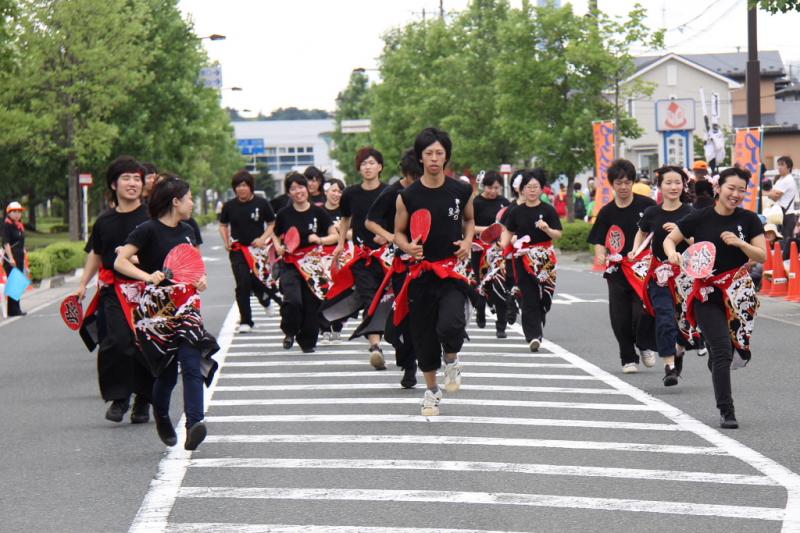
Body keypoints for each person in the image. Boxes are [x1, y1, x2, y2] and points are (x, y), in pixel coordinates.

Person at [115, 175, 219, 450]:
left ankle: (194, 422)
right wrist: (147, 276)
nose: (193, 203)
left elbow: (195, 264)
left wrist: (202, 279)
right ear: (176, 201)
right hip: (157, 311)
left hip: (187, 305)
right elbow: (120, 261)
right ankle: (161, 415)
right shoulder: (147, 230)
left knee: (192, 360)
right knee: (167, 374)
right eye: (190, 198)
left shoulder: (188, 229)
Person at [664, 167, 766, 429]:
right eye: (731, 188)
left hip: (738, 293)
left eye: (741, 190)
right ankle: (726, 410)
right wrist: (673, 254)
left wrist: (740, 244)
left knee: (729, 350)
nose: (735, 194)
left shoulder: (749, 219)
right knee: (721, 348)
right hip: (707, 291)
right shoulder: (699, 217)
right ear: (718, 187)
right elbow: (670, 240)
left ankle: (716, 360)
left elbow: (762, 255)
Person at [393, 127, 474, 416]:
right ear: (420, 157)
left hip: (451, 272)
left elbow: (469, 220)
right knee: (424, 336)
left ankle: (451, 359)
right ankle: (431, 391)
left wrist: (467, 242)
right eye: (429, 154)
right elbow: (398, 234)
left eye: (440, 153)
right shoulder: (408, 196)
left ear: (446, 156)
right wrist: (407, 248)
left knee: (451, 324)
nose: (434, 159)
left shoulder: (461, 190)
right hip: (420, 275)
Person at [74, 156, 154, 423]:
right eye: (126, 178)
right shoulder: (104, 221)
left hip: (147, 291)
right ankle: (120, 398)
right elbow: (97, 254)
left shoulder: (152, 217)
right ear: (113, 184)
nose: (132, 183)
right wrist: (83, 282)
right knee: (115, 342)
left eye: (137, 178)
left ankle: (144, 399)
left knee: (146, 344)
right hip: (113, 290)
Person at [587, 159, 658, 374]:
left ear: (633, 182)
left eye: (628, 182)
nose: (624, 187)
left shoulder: (647, 206)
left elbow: (660, 232)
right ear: (612, 184)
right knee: (620, 317)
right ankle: (628, 358)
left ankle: (644, 343)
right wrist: (600, 255)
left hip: (643, 270)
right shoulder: (607, 212)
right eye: (619, 183)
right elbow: (599, 239)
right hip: (617, 271)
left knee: (642, 312)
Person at [364, 149, 423, 387]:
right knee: (403, 318)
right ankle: (409, 366)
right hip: (402, 264)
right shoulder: (393, 193)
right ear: (404, 174)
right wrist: (390, 236)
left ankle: (436, 353)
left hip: (433, 263)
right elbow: (369, 221)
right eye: (411, 178)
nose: (415, 184)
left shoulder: (435, 190)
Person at [632, 166, 694, 387]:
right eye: (668, 182)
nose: (673, 187)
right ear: (660, 186)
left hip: (686, 275)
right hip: (660, 273)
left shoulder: (690, 212)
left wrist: (680, 231)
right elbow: (641, 232)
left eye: (678, 182)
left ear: (683, 185)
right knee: (665, 316)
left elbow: (698, 244)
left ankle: (679, 351)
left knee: (686, 321)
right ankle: (669, 366)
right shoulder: (652, 213)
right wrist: (635, 250)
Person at [328, 147, 389, 369]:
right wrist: (341, 243)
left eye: (372, 163)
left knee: (390, 300)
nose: (367, 167)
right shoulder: (351, 194)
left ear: (380, 167)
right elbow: (345, 219)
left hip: (388, 258)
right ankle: (375, 346)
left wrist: (388, 237)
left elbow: (399, 220)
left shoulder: (389, 192)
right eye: (363, 163)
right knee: (369, 298)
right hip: (362, 257)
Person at [273, 173, 337, 353]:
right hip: (290, 263)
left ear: (307, 189)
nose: (298, 191)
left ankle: (307, 340)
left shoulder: (319, 212)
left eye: (300, 187)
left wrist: (320, 239)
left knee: (311, 305)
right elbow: (275, 234)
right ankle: (290, 331)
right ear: (289, 193)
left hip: (312, 264)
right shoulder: (284, 214)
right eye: (293, 189)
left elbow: (335, 235)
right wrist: (278, 246)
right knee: (293, 301)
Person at [499, 170, 562, 351]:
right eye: (528, 187)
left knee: (545, 296)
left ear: (541, 189)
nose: (532, 190)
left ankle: (540, 315)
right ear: (522, 190)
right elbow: (508, 232)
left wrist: (547, 229)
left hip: (545, 258)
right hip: (523, 259)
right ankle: (533, 335)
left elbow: (558, 234)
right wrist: (500, 245)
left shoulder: (548, 210)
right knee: (528, 297)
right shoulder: (516, 211)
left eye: (536, 187)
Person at [218, 170, 277, 333]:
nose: (241, 189)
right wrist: (226, 240)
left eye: (244, 185)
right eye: (238, 186)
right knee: (242, 283)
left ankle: (265, 299)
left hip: (257, 250)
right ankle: (246, 320)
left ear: (250, 187)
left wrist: (263, 239)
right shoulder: (229, 206)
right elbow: (223, 225)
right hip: (238, 249)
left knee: (257, 281)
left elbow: (272, 223)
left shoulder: (262, 203)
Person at [471, 171, 510, 335]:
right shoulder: (476, 203)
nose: (493, 191)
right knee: (481, 285)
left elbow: (509, 226)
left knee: (500, 285)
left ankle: (501, 326)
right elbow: (469, 226)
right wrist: (488, 230)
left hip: (499, 248)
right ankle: (480, 310)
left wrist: (500, 235)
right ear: (483, 186)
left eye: (496, 188)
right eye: (489, 187)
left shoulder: (505, 203)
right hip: (479, 248)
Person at [319, 177, 347, 342]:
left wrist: (340, 234)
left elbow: (354, 232)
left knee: (341, 290)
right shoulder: (319, 212)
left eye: (340, 191)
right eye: (334, 190)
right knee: (323, 290)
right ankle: (324, 327)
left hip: (344, 254)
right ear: (326, 191)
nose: (337, 194)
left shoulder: (346, 211)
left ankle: (337, 323)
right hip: (321, 256)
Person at [3, 201, 27, 317]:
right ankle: (13, 310)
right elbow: (6, 243)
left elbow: (21, 242)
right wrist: (11, 258)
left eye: (19, 212)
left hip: (20, 256)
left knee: (18, 283)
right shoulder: (7, 225)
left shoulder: (19, 225)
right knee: (13, 283)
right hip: (11, 259)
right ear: (9, 213)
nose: (17, 214)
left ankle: (16, 308)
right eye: (15, 212)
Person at [768, 156, 797, 251]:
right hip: (780, 214)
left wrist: (770, 193)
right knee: (780, 239)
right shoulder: (780, 179)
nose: (779, 167)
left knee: (786, 240)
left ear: (788, 167)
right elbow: (772, 194)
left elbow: (775, 197)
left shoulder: (787, 180)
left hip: (786, 214)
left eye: (782, 165)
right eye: (778, 165)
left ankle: (785, 262)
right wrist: (771, 193)